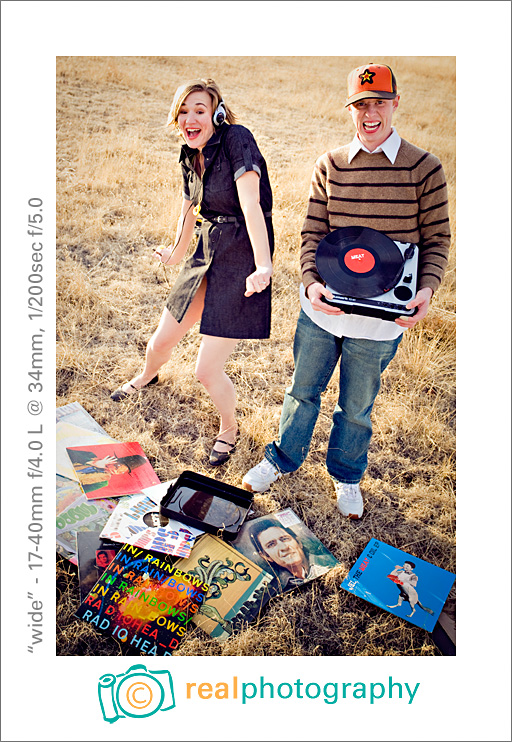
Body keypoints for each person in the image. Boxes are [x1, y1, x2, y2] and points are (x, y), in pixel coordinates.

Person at [243, 63, 451, 518]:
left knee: (356, 408)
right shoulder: (330, 164)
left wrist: (427, 290)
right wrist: (311, 281)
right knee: (302, 390)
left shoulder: (425, 167)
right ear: (351, 109)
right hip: (322, 310)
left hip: (380, 324)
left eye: (379, 103)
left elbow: (437, 239)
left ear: (396, 103)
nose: (369, 114)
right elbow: (312, 233)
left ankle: (346, 475)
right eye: (360, 105)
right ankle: (281, 459)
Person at [111, 78, 274, 466]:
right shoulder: (189, 153)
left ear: (215, 113)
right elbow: (189, 206)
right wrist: (176, 251)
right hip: (205, 248)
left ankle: (229, 428)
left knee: (206, 370)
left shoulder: (237, 139)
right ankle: (147, 375)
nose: (190, 118)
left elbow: (252, 206)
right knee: (160, 342)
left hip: (241, 255)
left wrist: (264, 264)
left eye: (199, 110)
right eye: (183, 111)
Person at [247, 518, 333, 590]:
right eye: (271, 544)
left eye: (284, 539)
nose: (284, 547)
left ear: (298, 542)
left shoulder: (329, 561)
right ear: (266, 556)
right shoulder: (276, 589)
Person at [67, 449, 148, 493]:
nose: (116, 471)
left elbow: (79, 492)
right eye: (117, 466)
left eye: (122, 471)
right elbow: (65, 453)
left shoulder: (103, 482)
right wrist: (93, 462)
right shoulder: (90, 455)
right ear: (112, 460)